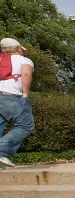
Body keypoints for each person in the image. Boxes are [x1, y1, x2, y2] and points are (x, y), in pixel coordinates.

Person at [0, 38, 34, 168]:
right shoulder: (23, 60)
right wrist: (25, 93)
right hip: (11, 95)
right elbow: (26, 73)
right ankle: (2, 152)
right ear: (18, 49)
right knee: (25, 125)